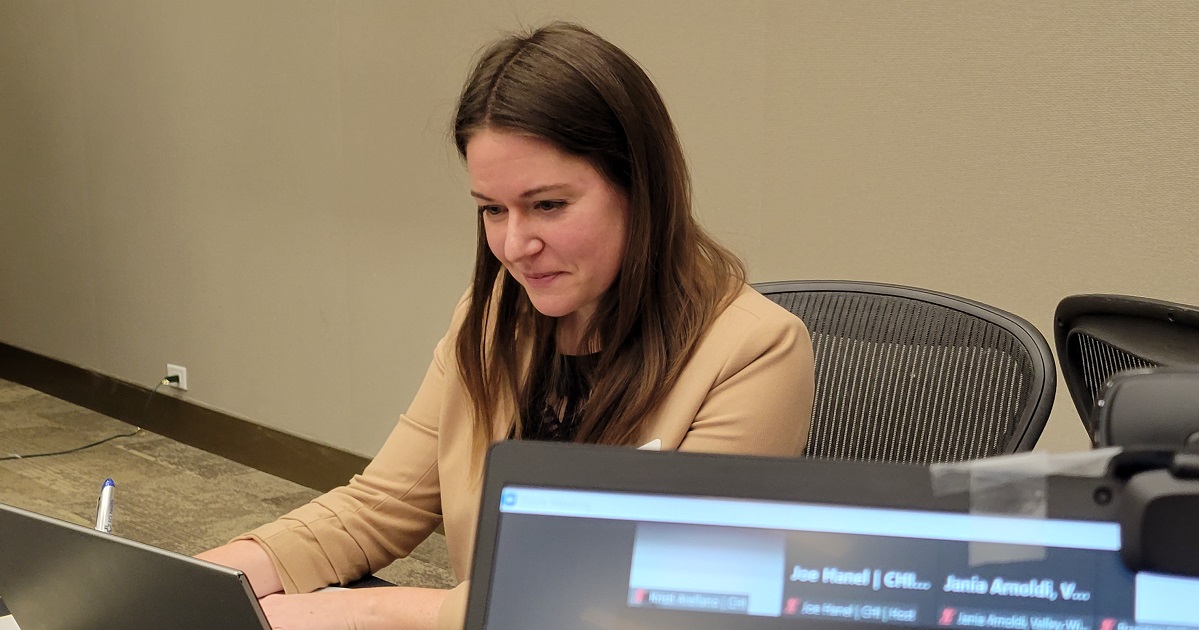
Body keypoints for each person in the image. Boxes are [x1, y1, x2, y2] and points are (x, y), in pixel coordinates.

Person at [198, 21, 815, 630]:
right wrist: (200, 580)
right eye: (493, 209)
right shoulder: (493, 319)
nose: (515, 246)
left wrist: (366, 608)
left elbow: (648, 598)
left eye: (548, 205)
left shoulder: (755, 351)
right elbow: (377, 506)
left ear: (641, 188)